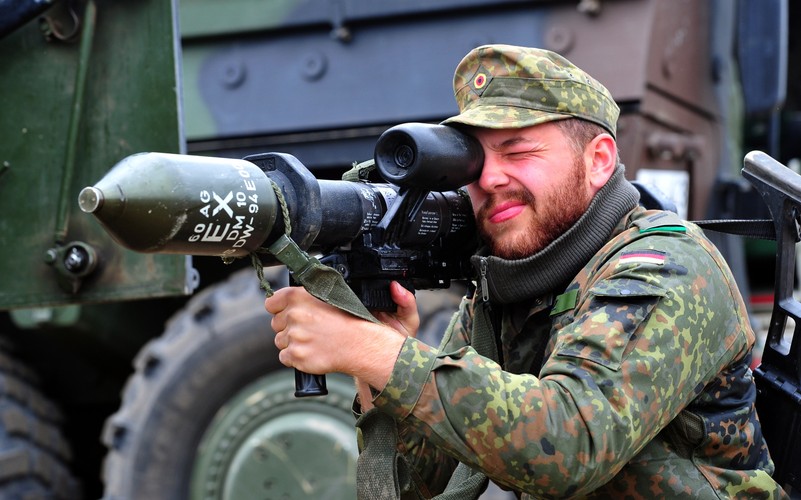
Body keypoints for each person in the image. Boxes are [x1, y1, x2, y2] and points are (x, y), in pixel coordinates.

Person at [265, 44, 786, 498]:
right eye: (475, 162)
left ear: (599, 160)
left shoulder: (665, 268)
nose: (490, 178)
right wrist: (377, 364)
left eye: (518, 151)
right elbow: (413, 488)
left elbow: (570, 442)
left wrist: (375, 352)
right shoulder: (510, 286)